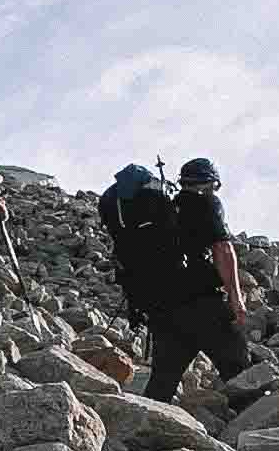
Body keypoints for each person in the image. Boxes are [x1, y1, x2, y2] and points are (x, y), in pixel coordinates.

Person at [103, 155, 247, 400]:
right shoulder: (205, 203)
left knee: (162, 383)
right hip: (201, 304)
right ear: (211, 183)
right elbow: (223, 249)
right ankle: (261, 433)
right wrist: (236, 299)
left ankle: (141, 433)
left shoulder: (164, 209)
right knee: (240, 372)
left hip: (161, 309)